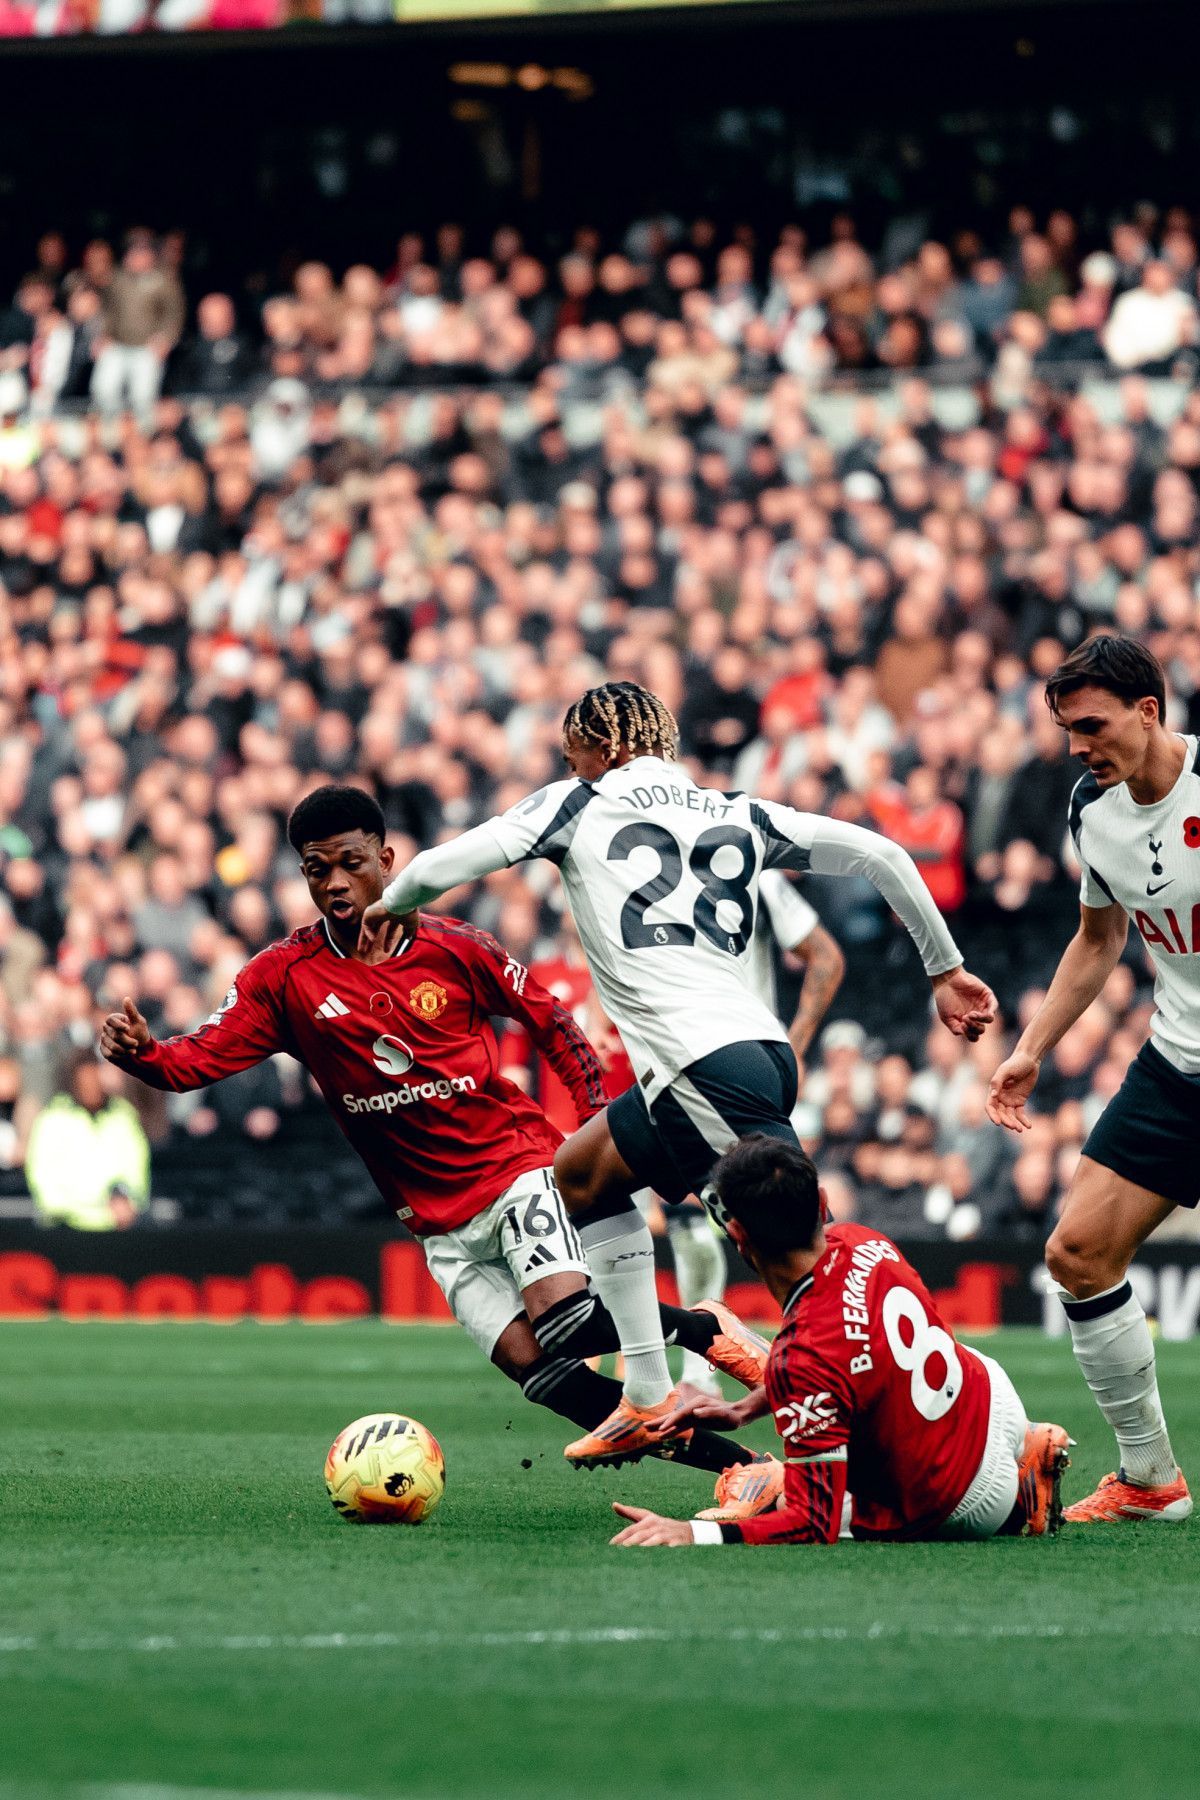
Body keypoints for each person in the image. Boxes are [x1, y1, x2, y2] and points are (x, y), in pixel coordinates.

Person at [360, 681, 996, 1467]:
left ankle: (931, 1445)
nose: (572, 768)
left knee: (809, 1265)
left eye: (574, 756)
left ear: (603, 750)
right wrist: (945, 970)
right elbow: (884, 853)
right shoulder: (740, 812)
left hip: (704, 1071)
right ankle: (648, 1393)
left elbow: (442, 864)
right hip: (743, 1052)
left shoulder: (577, 804)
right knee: (580, 1174)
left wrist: (394, 902)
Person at [100, 784, 774, 1487]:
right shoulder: (284, 978)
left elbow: (553, 1023)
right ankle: (744, 1470)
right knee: (545, 1377)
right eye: (318, 870)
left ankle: (707, 1330)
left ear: (386, 861)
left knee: (569, 1324)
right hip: (435, 1222)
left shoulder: (457, 948)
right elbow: (194, 1060)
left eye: (351, 863)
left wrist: (597, 1124)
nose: (335, 883)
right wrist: (145, 1055)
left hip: (515, 1169)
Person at [609, 1134, 1070, 1546]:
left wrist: (692, 1532)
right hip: (995, 1399)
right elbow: (852, 1357)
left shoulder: (801, 1353)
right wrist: (745, 1408)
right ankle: (1027, 1447)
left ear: (737, 1235)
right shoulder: (862, 1238)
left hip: (967, 1496)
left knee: (782, 1498)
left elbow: (813, 1523)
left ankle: (1019, 1502)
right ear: (822, 1202)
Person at [987, 636, 1196, 1522]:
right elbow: (1100, 937)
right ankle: (1150, 1479)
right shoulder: (1090, 809)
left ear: (1149, 711)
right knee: (1076, 1253)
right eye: (1068, 729)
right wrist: (1032, 1047)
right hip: (1177, 1065)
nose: (1077, 746)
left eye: (1092, 726)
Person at [25, 1053, 150, 1231]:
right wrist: (79, 1211)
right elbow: (43, 1178)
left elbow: (136, 1169)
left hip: (116, 1228)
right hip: (63, 1229)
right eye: (85, 1082)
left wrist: (126, 1198)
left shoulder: (124, 1117)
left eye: (95, 1080)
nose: (91, 1088)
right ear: (74, 1084)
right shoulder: (52, 1119)